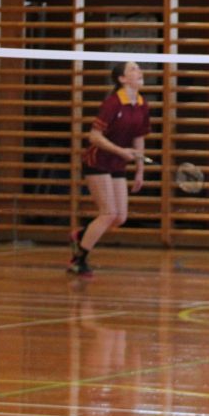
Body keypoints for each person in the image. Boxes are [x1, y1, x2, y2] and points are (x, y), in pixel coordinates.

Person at [68, 61, 151, 277]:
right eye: (133, 69)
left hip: (117, 162)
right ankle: (78, 260)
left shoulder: (142, 104)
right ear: (122, 79)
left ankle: (81, 235)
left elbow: (138, 138)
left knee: (119, 217)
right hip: (99, 161)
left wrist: (140, 169)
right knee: (108, 213)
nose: (139, 71)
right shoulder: (113, 103)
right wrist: (121, 151)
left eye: (138, 67)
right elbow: (94, 136)